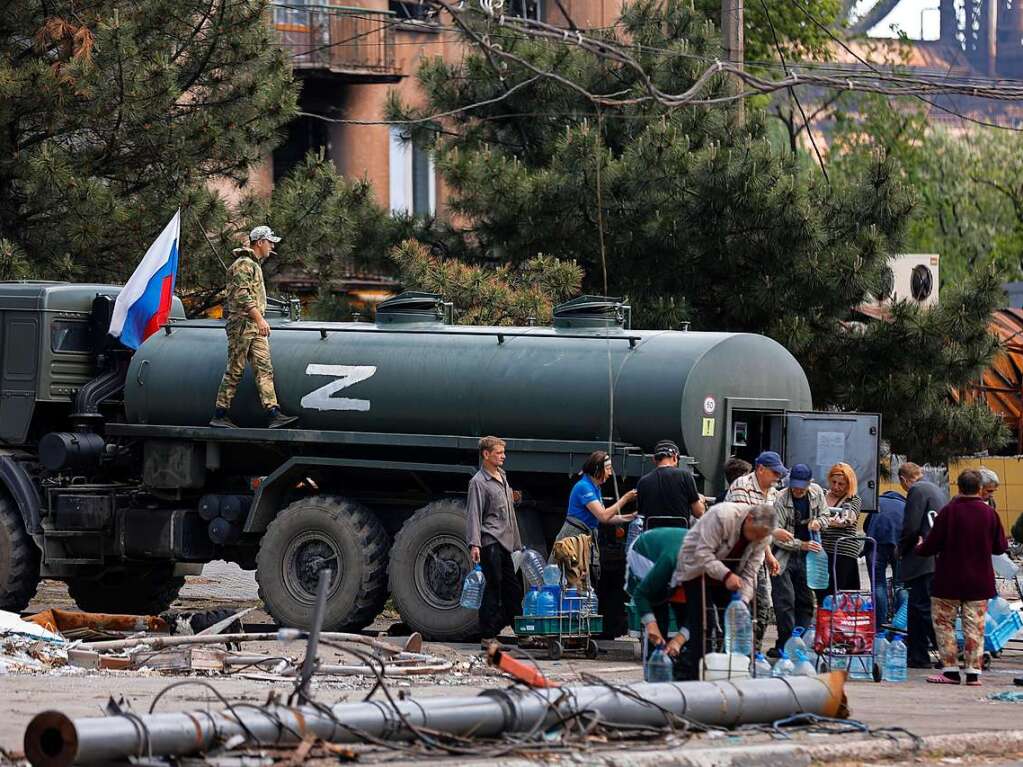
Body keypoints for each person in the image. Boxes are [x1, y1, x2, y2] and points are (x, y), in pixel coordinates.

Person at [918, 469, 1008, 686]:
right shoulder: (990, 514)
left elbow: (932, 545)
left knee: (944, 624)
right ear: (979, 488)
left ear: (958, 487)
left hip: (948, 581)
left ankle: (949, 671)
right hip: (979, 582)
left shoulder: (948, 512)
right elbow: (1000, 547)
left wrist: (920, 547)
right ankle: (973, 673)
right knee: (975, 626)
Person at [674, 502, 777, 680]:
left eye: (760, 538)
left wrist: (743, 601)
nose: (756, 540)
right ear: (749, 519)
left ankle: (728, 673)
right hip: (696, 569)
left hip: (730, 575)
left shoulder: (763, 537)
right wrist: (726, 575)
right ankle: (691, 677)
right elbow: (702, 554)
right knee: (703, 625)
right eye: (755, 534)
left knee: (736, 625)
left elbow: (751, 571)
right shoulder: (722, 516)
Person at [210, 226, 298, 429]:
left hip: (253, 326)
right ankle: (219, 414)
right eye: (270, 242)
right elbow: (242, 295)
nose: (272, 246)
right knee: (235, 369)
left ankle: (273, 413)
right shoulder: (243, 264)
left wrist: (258, 322)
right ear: (259, 242)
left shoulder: (252, 265)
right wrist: (259, 319)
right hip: (242, 324)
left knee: (264, 368)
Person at [725, 451, 788, 653]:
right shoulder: (742, 486)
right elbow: (747, 524)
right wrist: (774, 534)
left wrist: (769, 556)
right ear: (760, 469)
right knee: (737, 603)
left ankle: (753, 653)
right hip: (734, 555)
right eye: (775, 473)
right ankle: (729, 651)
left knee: (762, 606)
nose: (777, 478)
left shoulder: (771, 493)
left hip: (757, 554)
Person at [465, 436, 523, 646]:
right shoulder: (478, 482)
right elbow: (474, 514)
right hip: (490, 542)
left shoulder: (502, 476)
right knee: (493, 587)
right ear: (486, 454)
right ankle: (488, 636)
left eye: (503, 452)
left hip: (505, 543)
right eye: (499, 453)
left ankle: (522, 631)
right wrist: (474, 544)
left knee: (512, 588)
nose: (503, 456)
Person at [552, 451, 637, 588]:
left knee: (586, 581)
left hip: (586, 538)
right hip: (574, 540)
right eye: (608, 469)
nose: (610, 473)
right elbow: (603, 515)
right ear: (598, 469)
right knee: (573, 581)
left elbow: (605, 518)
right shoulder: (584, 487)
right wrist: (625, 499)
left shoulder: (595, 488)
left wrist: (631, 516)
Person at [771, 464, 827, 653]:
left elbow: (826, 515)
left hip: (809, 555)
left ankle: (801, 642)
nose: (798, 490)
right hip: (784, 555)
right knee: (785, 599)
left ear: (810, 483)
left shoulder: (817, 492)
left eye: (802, 487)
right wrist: (800, 544)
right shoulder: (780, 498)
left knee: (805, 600)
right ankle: (785, 643)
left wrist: (819, 522)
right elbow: (776, 536)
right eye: (795, 486)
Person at [897, 461, 946, 668]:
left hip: (922, 558)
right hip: (936, 556)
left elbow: (911, 526)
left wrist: (901, 548)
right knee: (918, 608)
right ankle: (917, 655)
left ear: (903, 480)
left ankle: (946, 650)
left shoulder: (916, 490)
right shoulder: (936, 489)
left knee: (921, 606)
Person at [625, 526, 689, 675]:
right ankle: (653, 673)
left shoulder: (701, 572)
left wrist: (680, 640)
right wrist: (652, 626)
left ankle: (683, 671)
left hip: (678, 569)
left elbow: (697, 614)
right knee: (658, 616)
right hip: (646, 553)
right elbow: (641, 595)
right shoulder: (669, 561)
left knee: (688, 617)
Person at [812, 462, 863, 601]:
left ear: (849, 484)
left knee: (836, 590)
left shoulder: (853, 499)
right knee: (820, 589)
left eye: (841, 484)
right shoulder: (821, 495)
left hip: (842, 551)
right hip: (821, 550)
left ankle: (834, 618)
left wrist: (823, 522)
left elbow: (849, 518)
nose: (836, 487)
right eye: (833, 482)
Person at [635, 440, 705, 525]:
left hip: (652, 535)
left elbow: (641, 515)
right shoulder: (685, 476)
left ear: (654, 459)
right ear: (675, 457)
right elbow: (699, 513)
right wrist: (700, 499)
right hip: (678, 534)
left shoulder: (643, 482)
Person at [864, 487, 906, 628]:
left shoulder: (877, 501)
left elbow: (866, 526)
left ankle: (880, 627)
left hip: (876, 545)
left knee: (878, 585)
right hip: (899, 546)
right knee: (900, 585)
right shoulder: (904, 505)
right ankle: (901, 626)